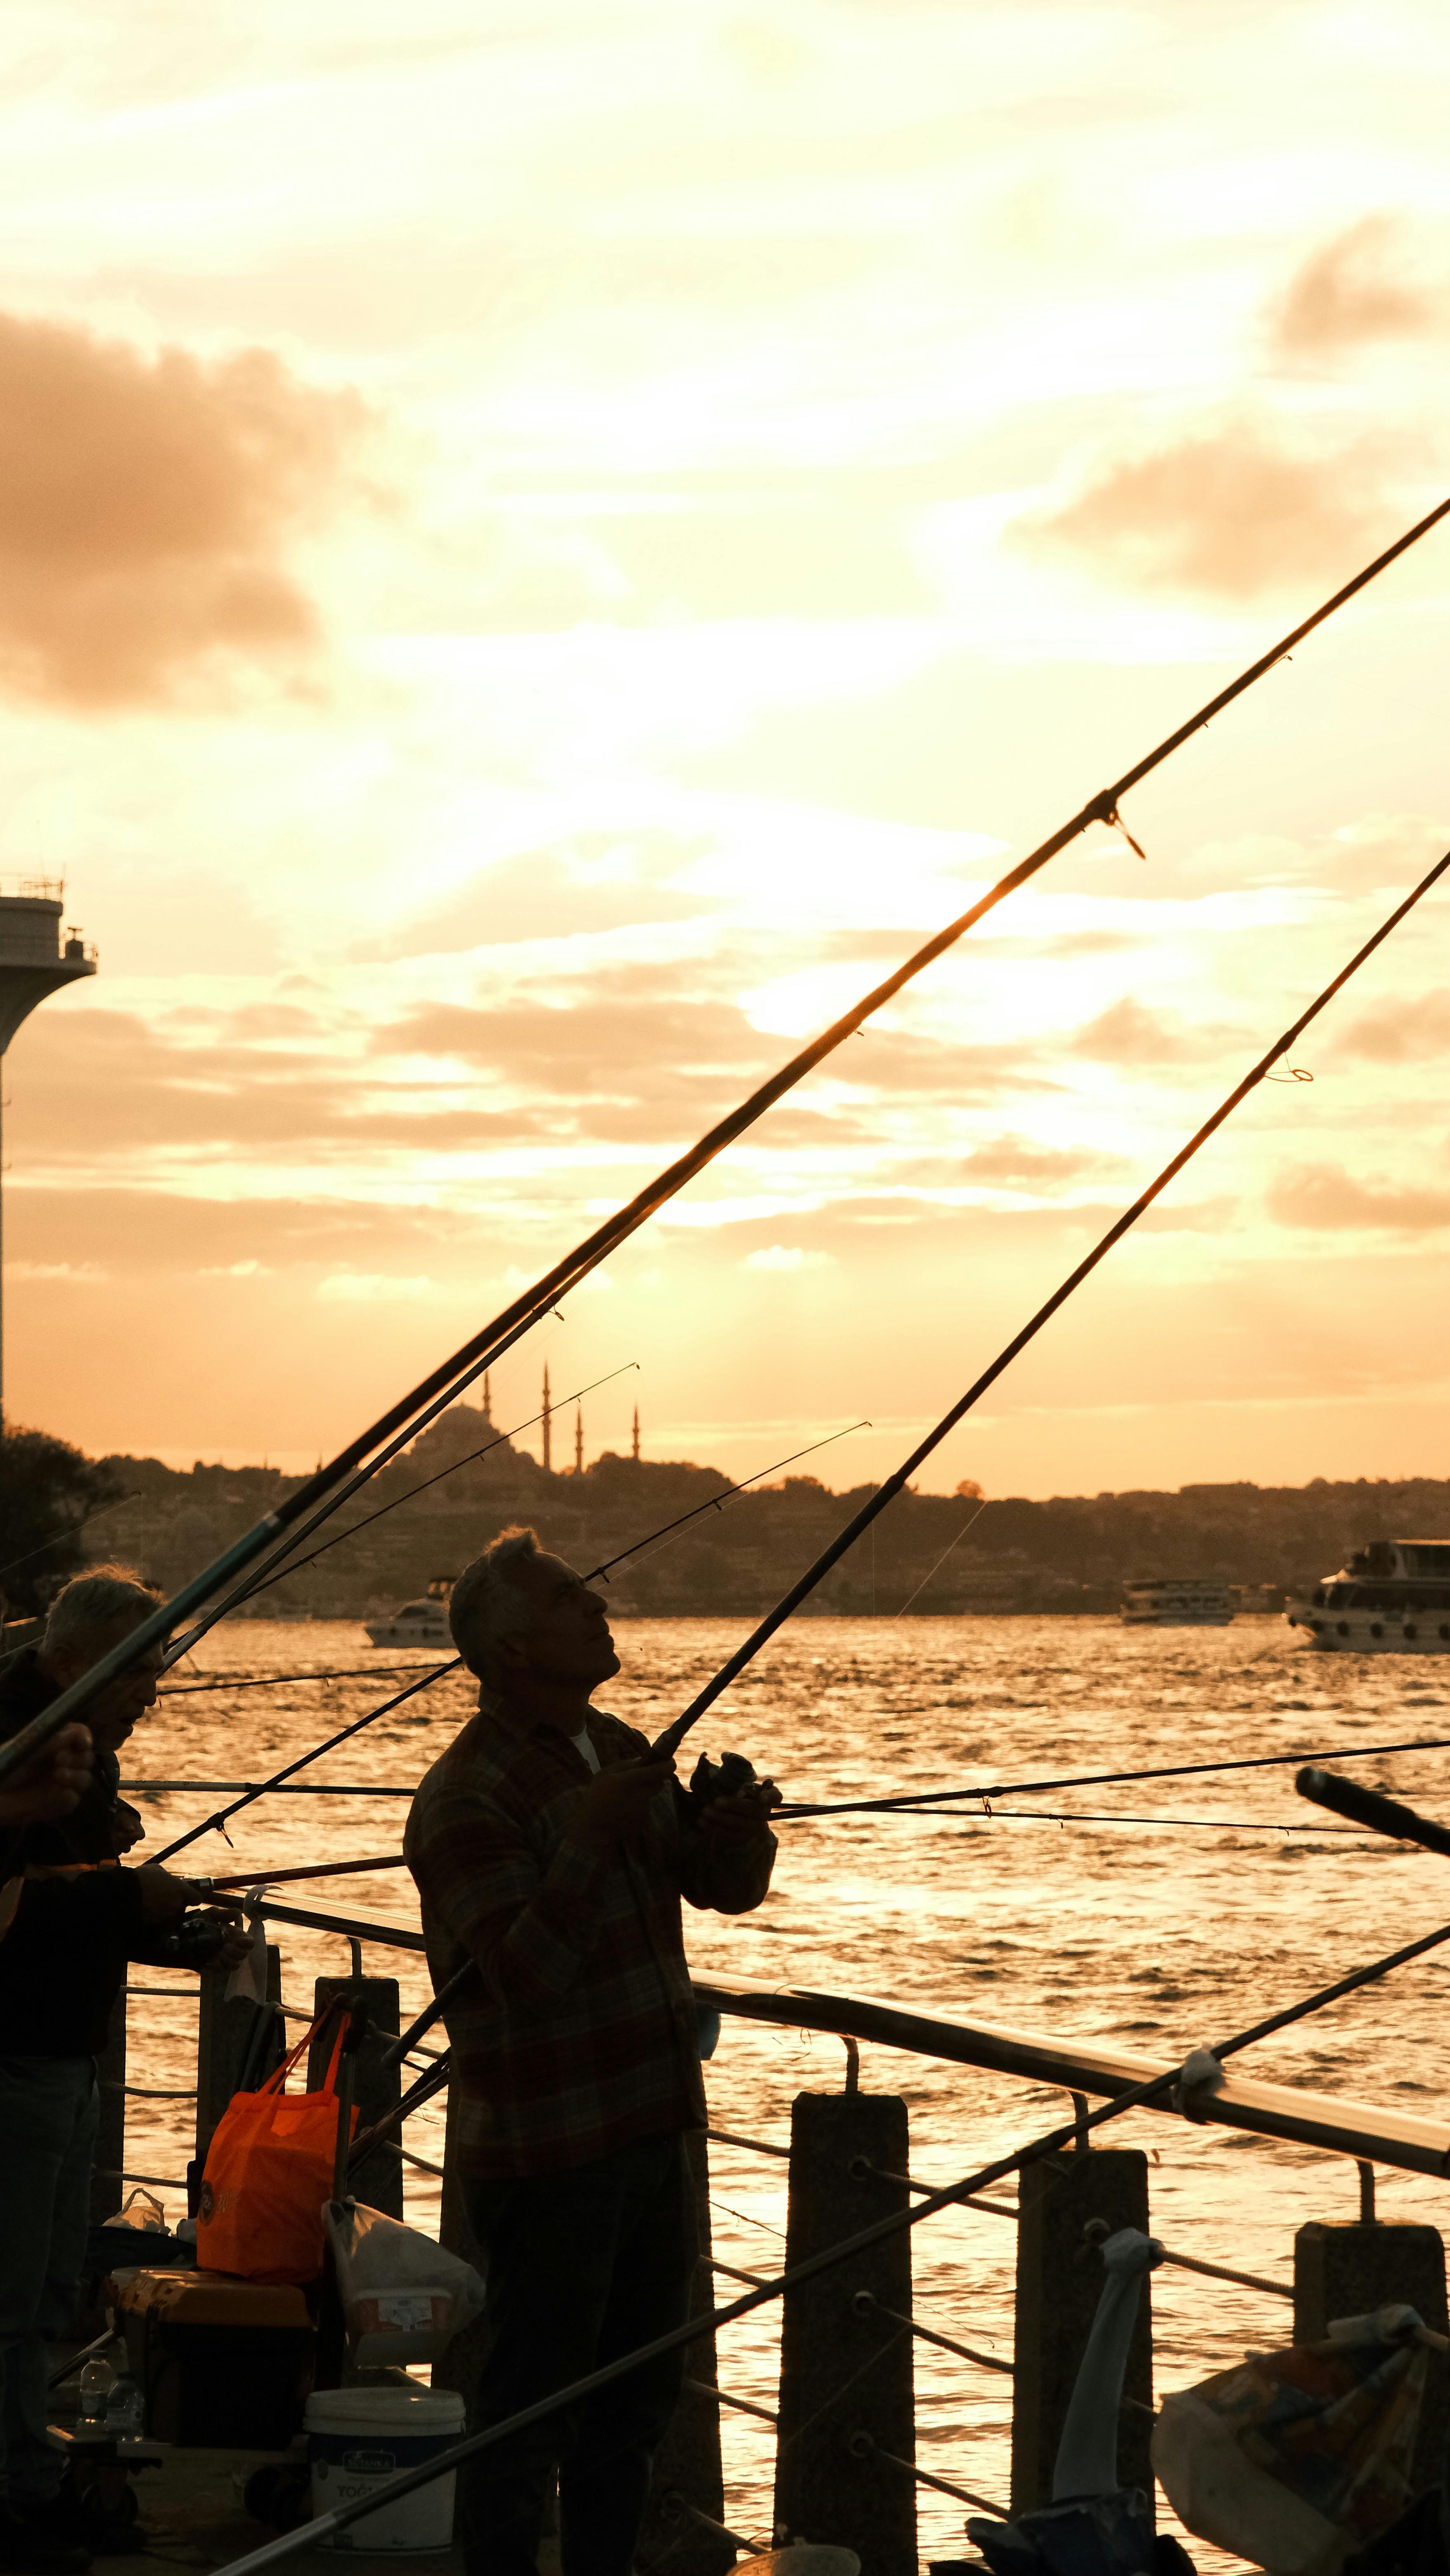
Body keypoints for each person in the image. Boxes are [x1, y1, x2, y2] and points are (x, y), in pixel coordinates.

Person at [405, 1525, 780, 2576]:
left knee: (637, 2402)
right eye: (570, 1598)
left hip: (652, 2120)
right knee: (532, 2406)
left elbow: (724, 1891)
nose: (597, 1606)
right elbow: (517, 1983)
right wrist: (586, 1841)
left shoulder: (616, 1748)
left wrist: (732, 1827)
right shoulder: (464, 1796)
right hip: (549, 2145)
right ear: (512, 1650)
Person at [0, 1568, 247, 2576]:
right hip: (16, 2056)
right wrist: (131, 1893)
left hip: (63, 2050)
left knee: (56, 2285)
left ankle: (27, 2476)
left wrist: (166, 1934)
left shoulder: (75, 1743)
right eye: (143, 1667)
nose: (157, 1688)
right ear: (79, 1661)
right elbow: (18, 1911)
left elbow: (71, 1909)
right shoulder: (26, 1740)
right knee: (13, 2295)